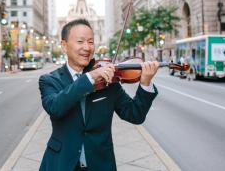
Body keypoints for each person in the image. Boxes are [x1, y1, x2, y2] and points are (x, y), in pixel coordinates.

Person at [38, 19, 159, 171]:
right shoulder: (50, 80)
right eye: (80, 41)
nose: (87, 47)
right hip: (60, 164)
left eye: (91, 42)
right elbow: (55, 107)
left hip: (100, 164)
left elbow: (135, 115)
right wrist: (89, 78)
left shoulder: (108, 80)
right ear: (64, 46)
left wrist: (145, 83)